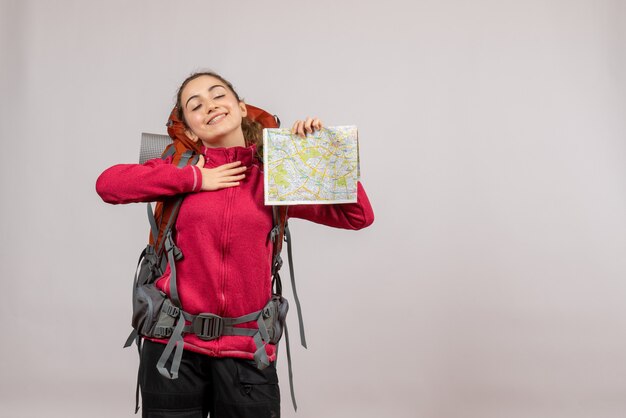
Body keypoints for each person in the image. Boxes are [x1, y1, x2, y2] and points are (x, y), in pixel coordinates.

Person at [96, 71, 374, 418]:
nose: (209, 106)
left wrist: (322, 153)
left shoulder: (278, 176)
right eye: (195, 106)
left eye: (218, 95)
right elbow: (108, 184)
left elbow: (358, 216)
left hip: (247, 352)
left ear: (242, 108)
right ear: (191, 129)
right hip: (173, 349)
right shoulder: (180, 169)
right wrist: (197, 178)